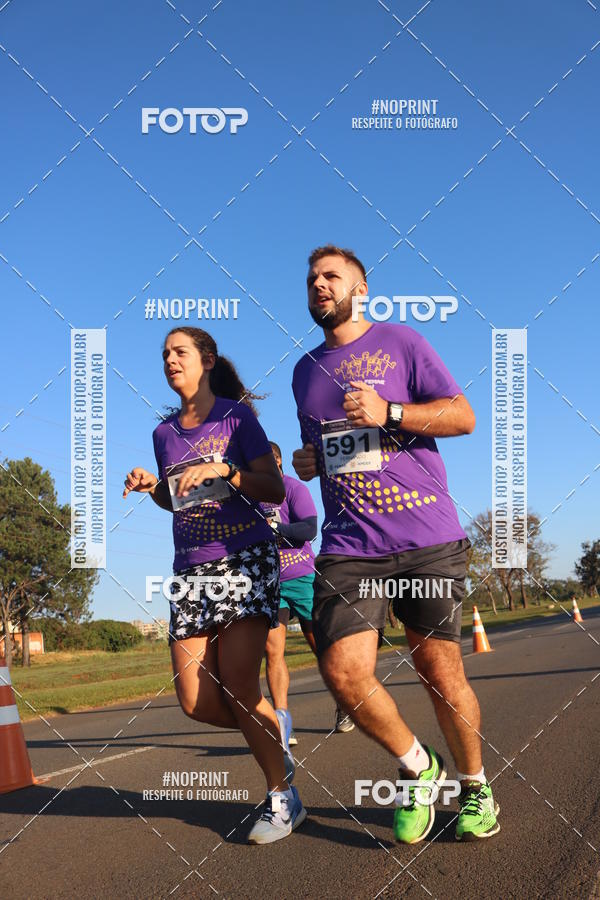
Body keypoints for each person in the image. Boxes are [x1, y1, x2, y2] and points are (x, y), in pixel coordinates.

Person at [291, 245, 500, 844]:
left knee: (439, 671)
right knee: (342, 670)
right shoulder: (305, 371)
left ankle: (475, 786)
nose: (320, 284)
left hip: (426, 537)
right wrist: (309, 460)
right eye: (312, 278)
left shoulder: (401, 341)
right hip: (351, 545)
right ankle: (417, 766)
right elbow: (328, 445)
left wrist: (391, 411)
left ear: (361, 290)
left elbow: (462, 417)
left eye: (332, 276)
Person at [123, 326, 306, 844]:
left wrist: (225, 468)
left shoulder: (236, 418)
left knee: (240, 686)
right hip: (190, 571)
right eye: (164, 354)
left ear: (206, 360)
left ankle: (282, 798)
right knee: (195, 702)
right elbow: (178, 500)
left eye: (180, 352)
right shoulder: (163, 434)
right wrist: (153, 487)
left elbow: (273, 488)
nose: (170, 360)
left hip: (243, 560)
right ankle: (272, 731)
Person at [262, 442, 355, 744]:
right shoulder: (251, 497)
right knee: (272, 652)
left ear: (277, 461)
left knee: (322, 647)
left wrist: (276, 528)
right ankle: (283, 723)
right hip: (269, 583)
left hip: (302, 578)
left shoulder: (293, 489)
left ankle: (344, 703)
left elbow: (309, 530)